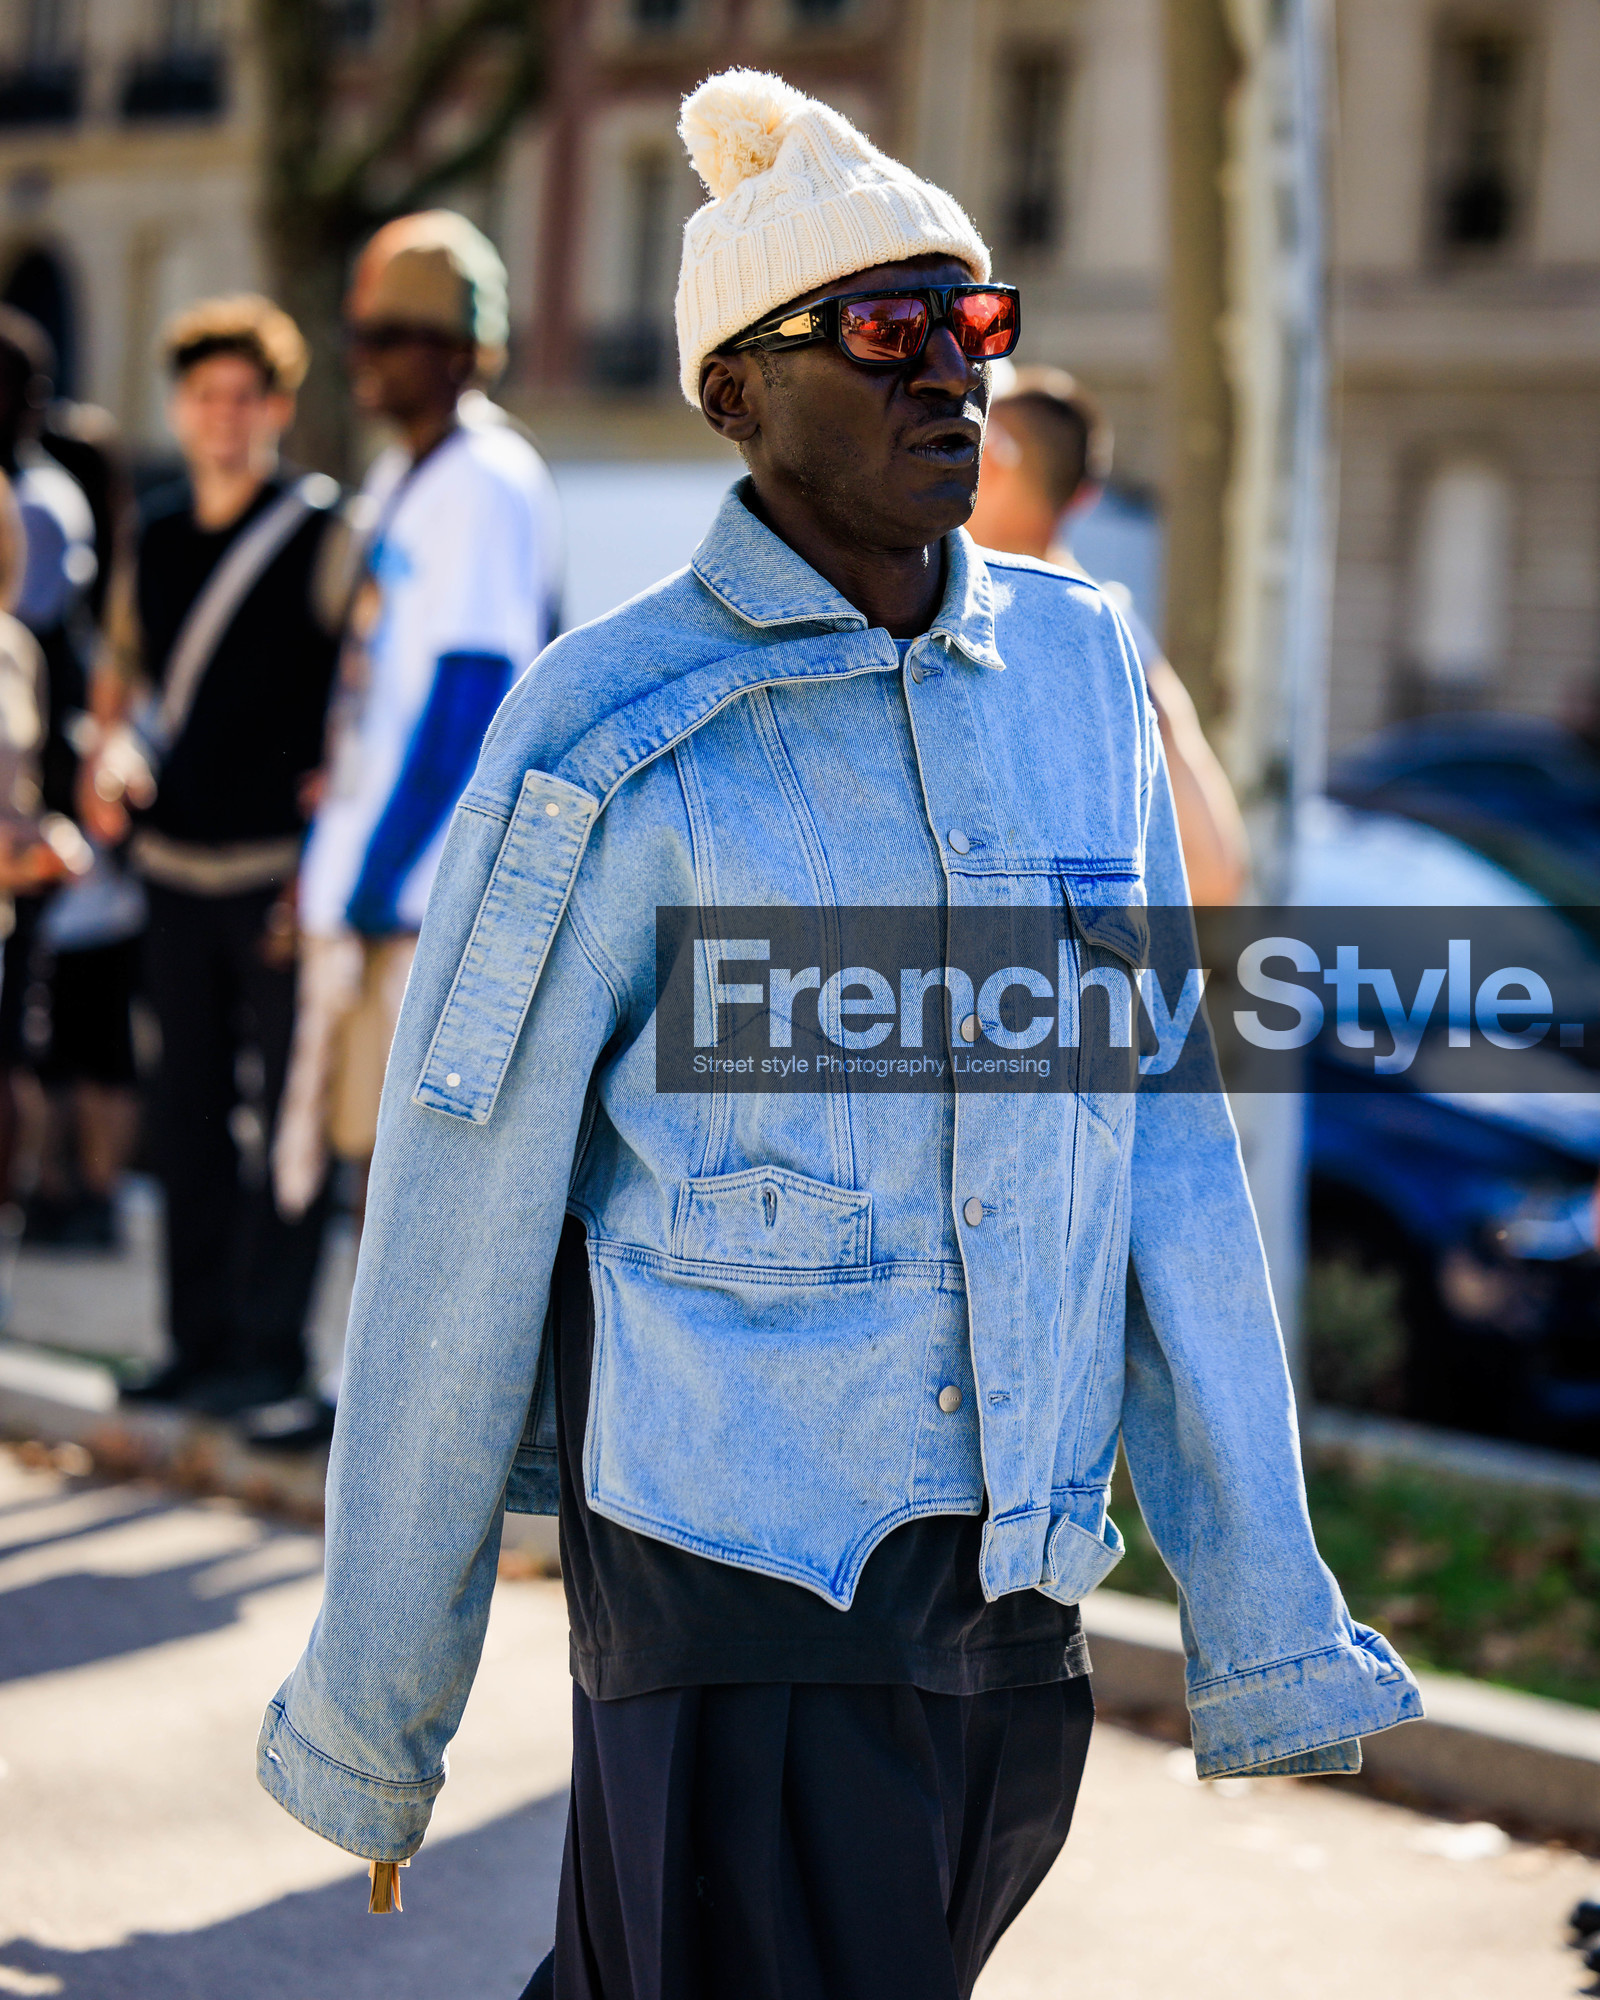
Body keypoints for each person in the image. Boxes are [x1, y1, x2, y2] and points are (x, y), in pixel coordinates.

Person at [257, 71, 1421, 1996]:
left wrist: (1260, 1607)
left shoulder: (1078, 672)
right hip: (736, 1603)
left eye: (973, 328)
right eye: (883, 334)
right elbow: (456, 1229)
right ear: (734, 386)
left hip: (1016, 1618)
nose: (948, 376)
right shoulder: (604, 730)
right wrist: (381, 1714)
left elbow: (1160, 1151)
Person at [270, 210, 561, 1290]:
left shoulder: (486, 478)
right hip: (371, 878)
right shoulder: (408, 474)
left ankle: (386, 1408)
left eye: (388, 334)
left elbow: (470, 700)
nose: (363, 358)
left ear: (454, 349)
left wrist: (379, 874)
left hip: (421, 890)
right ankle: (348, 1391)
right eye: (361, 333)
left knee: (406, 1165)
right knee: (349, 1149)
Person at [77, 295, 345, 1414]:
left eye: (244, 397)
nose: (223, 418)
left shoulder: (327, 530)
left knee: (292, 1123)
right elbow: (121, 694)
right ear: (179, 410)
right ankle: (191, 1342)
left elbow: (365, 686)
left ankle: (270, 1352)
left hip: (285, 876)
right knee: (184, 1116)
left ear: (277, 408)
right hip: (177, 874)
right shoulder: (161, 534)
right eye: (203, 397)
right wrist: (109, 760)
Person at [967, 366, 1250, 905]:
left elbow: (1210, 871)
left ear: (998, 459)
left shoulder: (1054, 634)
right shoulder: (1118, 635)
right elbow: (1217, 867)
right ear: (1084, 497)